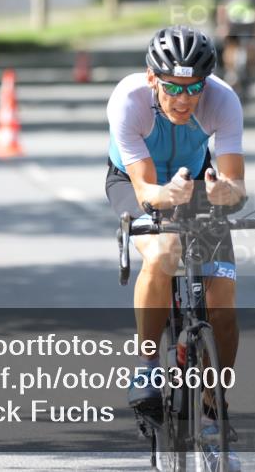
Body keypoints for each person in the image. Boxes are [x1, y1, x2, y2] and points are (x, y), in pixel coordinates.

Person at [105, 26, 245, 471]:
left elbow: (236, 182)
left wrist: (225, 192)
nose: (183, 99)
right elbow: (146, 187)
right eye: (172, 88)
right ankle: (147, 363)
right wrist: (165, 195)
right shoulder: (127, 101)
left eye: (193, 88)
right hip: (135, 181)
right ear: (152, 79)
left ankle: (212, 402)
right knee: (165, 252)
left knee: (221, 292)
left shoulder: (223, 101)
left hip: (194, 181)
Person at [216, 0, 255, 93]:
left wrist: (222, 26)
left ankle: (237, 72)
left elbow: (222, 9)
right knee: (234, 47)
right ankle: (236, 72)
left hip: (241, 26)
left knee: (241, 47)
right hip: (240, 26)